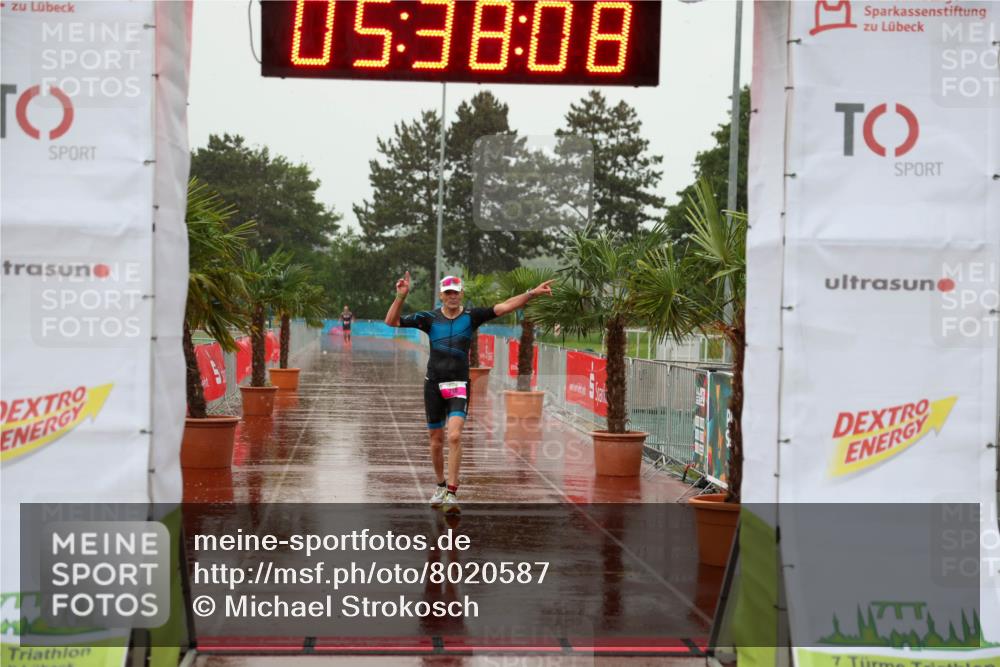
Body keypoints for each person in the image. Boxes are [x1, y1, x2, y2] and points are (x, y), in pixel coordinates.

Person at [385, 272, 554, 513]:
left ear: (462, 293)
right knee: (436, 442)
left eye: (456, 292)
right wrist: (400, 296)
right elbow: (391, 321)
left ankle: (452, 492)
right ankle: (440, 485)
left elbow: (505, 306)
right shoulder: (428, 318)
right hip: (433, 385)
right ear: (441, 295)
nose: (452, 296)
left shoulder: (471, 316)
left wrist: (532, 293)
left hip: (459, 386)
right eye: (448, 292)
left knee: (454, 436)